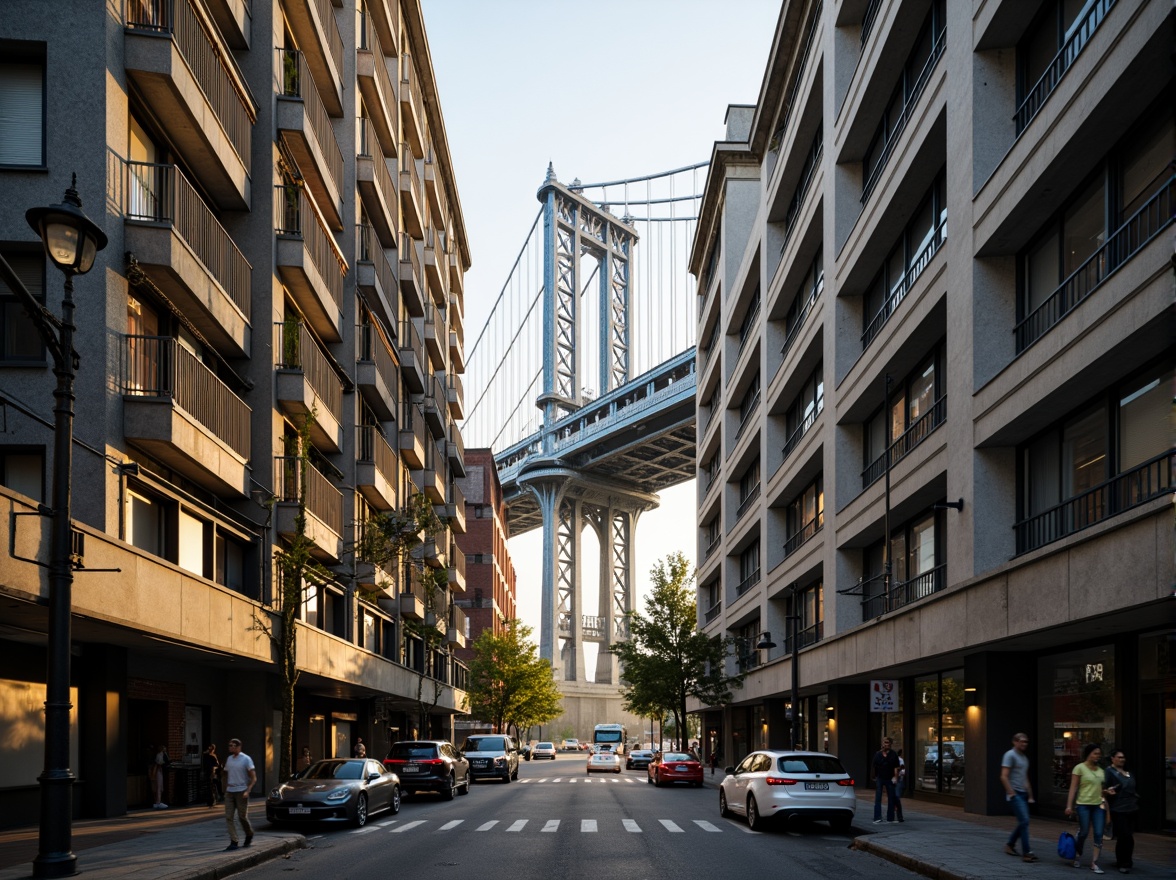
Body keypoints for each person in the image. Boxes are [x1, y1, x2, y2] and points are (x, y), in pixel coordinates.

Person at [1065, 743, 1107, 874]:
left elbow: (1102, 790)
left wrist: (1106, 794)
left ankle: (1094, 863)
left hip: (1098, 806)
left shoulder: (1101, 771)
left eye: (1099, 754)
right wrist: (1069, 806)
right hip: (1083, 805)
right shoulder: (1079, 768)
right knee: (1083, 832)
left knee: (1099, 833)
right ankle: (1077, 855)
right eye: (1095, 753)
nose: (1097, 756)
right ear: (1088, 754)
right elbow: (1073, 788)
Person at [1000, 732, 1038, 862]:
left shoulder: (1024, 758)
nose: (1024, 744)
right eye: (1021, 741)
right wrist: (1011, 793)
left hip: (1023, 793)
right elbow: (1003, 776)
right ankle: (1027, 852)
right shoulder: (1010, 755)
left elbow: (1025, 777)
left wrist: (1030, 795)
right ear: (1014, 742)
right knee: (1025, 821)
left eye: (1026, 742)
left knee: (1023, 821)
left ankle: (1010, 845)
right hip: (1015, 793)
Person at [1103, 749, 1138, 874]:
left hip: (1132, 807)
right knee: (1125, 836)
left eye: (1123, 757)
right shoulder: (1109, 772)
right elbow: (1103, 789)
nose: (1122, 759)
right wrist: (1108, 791)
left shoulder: (1128, 772)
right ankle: (1125, 863)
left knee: (1126, 836)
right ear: (1112, 758)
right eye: (1119, 757)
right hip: (1118, 808)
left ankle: (1122, 860)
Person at [222, 738, 256, 851]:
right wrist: (225, 788)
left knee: (242, 817)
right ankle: (234, 841)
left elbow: (253, 777)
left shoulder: (246, 759)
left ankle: (249, 833)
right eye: (229, 745)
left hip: (242, 791)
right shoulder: (229, 759)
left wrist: (248, 790)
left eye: (232, 745)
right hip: (230, 792)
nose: (230, 747)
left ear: (238, 747)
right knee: (229, 817)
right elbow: (226, 774)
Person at [872, 737, 900, 824]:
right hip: (880, 777)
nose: (885, 744)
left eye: (887, 742)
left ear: (890, 744)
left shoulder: (893, 754)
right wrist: (874, 777)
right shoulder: (878, 754)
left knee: (891, 798)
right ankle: (877, 817)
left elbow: (896, 767)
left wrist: (895, 777)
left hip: (889, 778)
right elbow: (874, 766)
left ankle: (890, 818)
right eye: (884, 742)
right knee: (878, 798)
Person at [150, 743, 169, 809]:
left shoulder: (161, 754)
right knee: (159, 786)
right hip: (158, 770)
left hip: (159, 770)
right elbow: (160, 762)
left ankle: (158, 801)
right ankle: (158, 802)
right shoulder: (160, 755)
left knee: (159, 786)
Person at [892, 749, 906, 823]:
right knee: (893, 798)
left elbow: (903, 771)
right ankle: (892, 815)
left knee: (897, 797)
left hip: (898, 780)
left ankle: (899, 816)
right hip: (891, 779)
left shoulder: (900, 760)